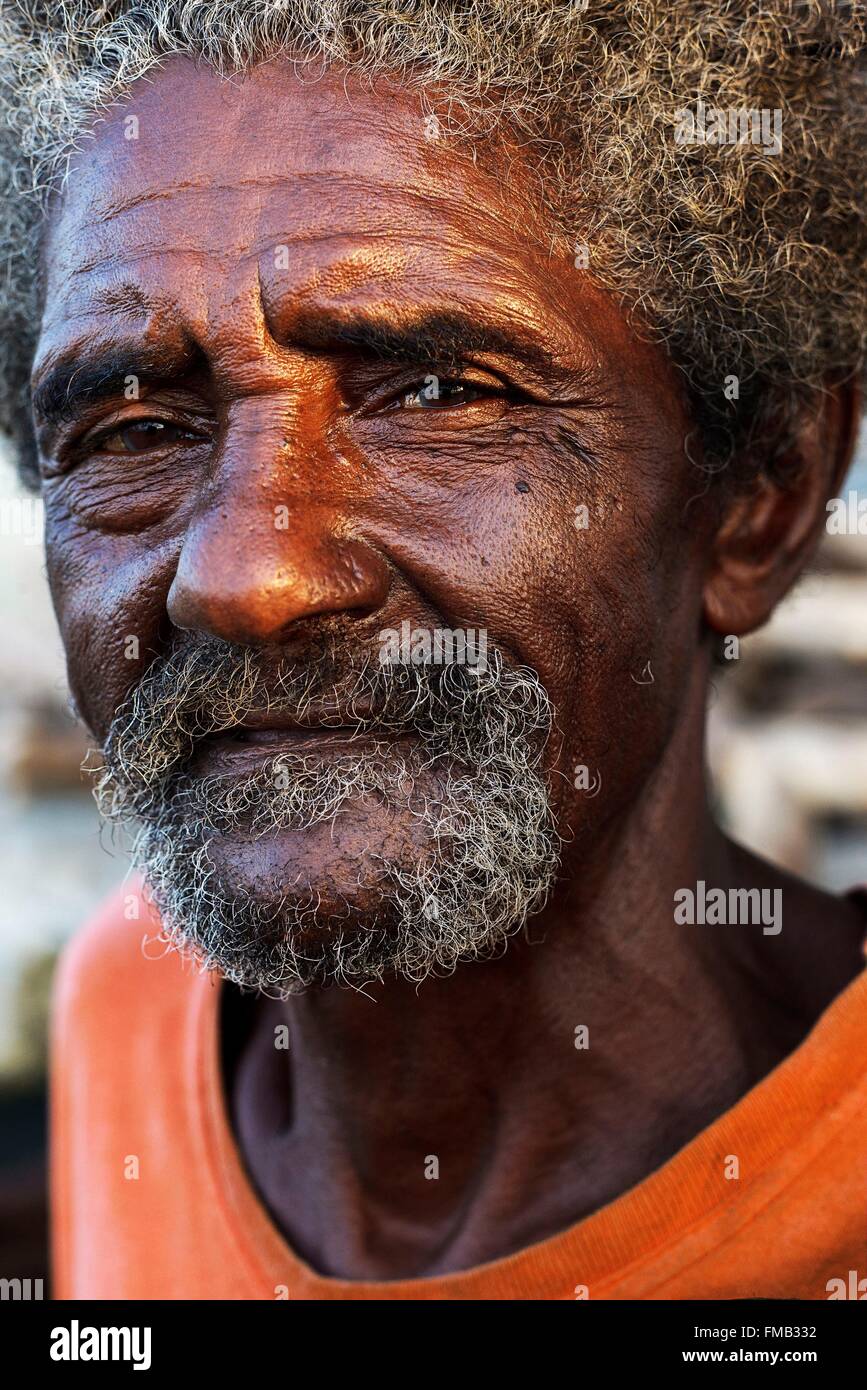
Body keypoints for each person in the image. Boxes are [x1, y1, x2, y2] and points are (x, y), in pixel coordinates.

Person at [2, 2, 866, 1299]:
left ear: (764, 494)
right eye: (131, 429)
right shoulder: (128, 1007)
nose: (249, 577)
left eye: (437, 395)